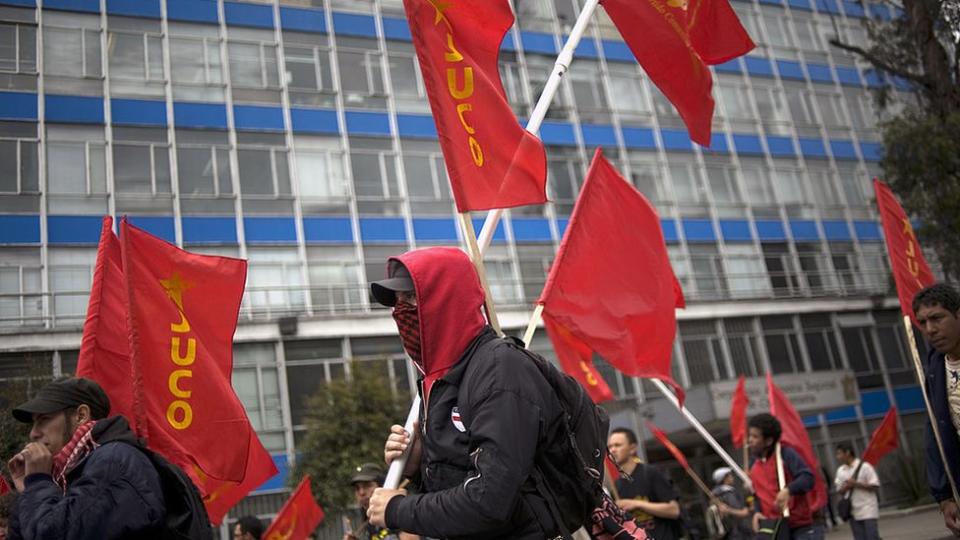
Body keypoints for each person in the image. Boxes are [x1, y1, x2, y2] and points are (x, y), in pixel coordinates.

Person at [366, 247, 572, 539]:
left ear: (446, 299)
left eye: (411, 298)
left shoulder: (500, 370)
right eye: (396, 303)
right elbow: (458, 479)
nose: (401, 312)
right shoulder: (438, 379)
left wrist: (398, 508)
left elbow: (490, 501)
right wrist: (420, 463)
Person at [5, 377, 169, 539]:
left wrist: (37, 482)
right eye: (33, 423)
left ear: (81, 415)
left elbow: (53, 534)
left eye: (44, 419)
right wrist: (27, 493)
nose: (33, 433)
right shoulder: (66, 473)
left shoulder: (112, 462)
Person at [913, 283, 960, 537]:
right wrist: (943, 495)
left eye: (937, 318)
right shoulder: (935, 366)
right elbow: (935, 430)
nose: (930, 329)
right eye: (922, 322)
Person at [747, 413, 823, 539]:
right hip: (773, 528)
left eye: (755, 436)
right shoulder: (754, 466)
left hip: (798, 528)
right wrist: (757, 512)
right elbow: (757, 495)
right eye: (750, 435)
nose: (750, 440)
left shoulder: (785, 454)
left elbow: (807, 477)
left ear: (768, 441)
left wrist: (788, 490)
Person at [607, 427, 682, 539]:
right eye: (610, 447)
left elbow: (674, 510)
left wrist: (637, 504)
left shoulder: (651, 473)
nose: (613, 450)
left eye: (618, 445)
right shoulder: (616, 486)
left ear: (632, 448)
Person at [344, 462, 417, 540]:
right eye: (357, 488)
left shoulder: (399, 513)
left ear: (382, 486)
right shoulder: (370, 521)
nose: (361, 493)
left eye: (367, 485)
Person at [833, 443, 880, 540]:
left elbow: (875, 486)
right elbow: (839, 490)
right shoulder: (840, 471)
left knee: (872, 537)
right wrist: (846, 486)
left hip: (868, 509)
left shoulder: (865, 467)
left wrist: (856, 484)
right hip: (852, 511)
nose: (837, 457)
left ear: (848, 453)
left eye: (839, 454)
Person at [710, 467, 752, 540]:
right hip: (737, 532)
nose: (732, 477)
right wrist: (729, 511)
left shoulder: (716, 494)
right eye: (730, 475)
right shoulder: (728, 493)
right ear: (725, 478)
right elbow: (743, 512)